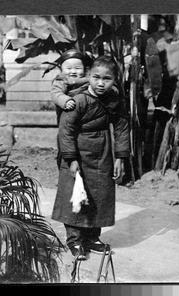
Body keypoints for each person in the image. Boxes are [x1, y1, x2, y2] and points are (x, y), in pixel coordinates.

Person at [51, 55, 130, 260]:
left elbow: (121, 127)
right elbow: (66, 130)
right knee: (75, 194)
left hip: (103, 152)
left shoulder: (113, 100)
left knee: (100, 194)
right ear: (88, 76)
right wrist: (71, 158)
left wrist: (120, 157)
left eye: (107, 79)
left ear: (115, 80)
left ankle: (93, 238)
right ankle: (75, 241)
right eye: (96, 77)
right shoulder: (78, 100)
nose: (101, 83)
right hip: (77, 151)